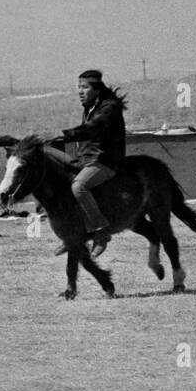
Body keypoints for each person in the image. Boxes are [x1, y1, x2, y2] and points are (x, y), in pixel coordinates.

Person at [48, 69, 127, 257]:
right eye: (79, 87)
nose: (80, 91)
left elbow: (92, 129)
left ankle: (102, 232)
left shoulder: (109, 108)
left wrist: (65, 135)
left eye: (84, 87)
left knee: (79, 187)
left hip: (105, 162)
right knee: (46, 156)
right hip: (85, 160)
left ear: (97, 89)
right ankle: (71, 236)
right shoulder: (89, 107)